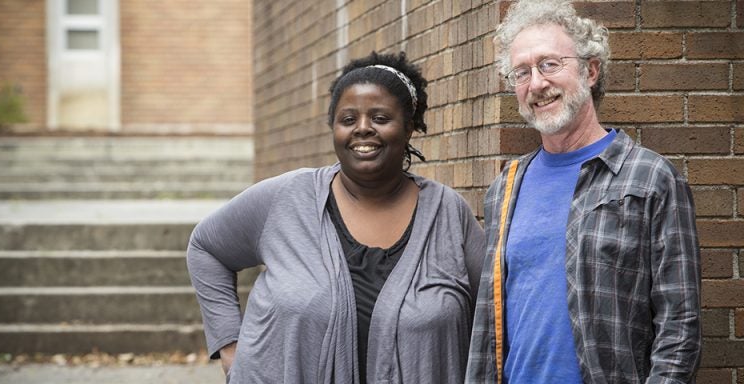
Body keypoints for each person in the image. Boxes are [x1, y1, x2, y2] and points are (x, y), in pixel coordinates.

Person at [187, 51, 486, 383]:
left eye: (380, 118)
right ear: (334, 128)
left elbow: (492, 307)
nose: (362, 129)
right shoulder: (286, 198)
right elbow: (206, 248)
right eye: (348, 119)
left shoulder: (448, 214)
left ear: (410, 127)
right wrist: (230, 345)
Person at [466, 1, 701, 383]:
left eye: (549, 64)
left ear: (590, 70)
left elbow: (680, 327)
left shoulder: (649, 178)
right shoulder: (505, 188)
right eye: (521, 72)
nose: (536, 84)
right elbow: (488, 328)